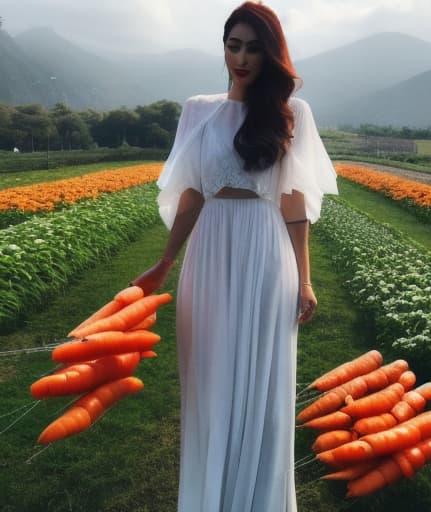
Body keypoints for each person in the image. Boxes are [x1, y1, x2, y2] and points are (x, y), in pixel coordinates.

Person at [131, 2, 338, 510]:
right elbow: (192, 194)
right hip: (209, 253)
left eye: (253, 47)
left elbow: (293, 204)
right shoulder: (198, 110)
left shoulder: (292, 114)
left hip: (267, 253)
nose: (241, 58)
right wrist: (165, 260)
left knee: (262, 382)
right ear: (223, 48)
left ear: (271, 54)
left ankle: (260, 497)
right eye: (233, 45)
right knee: (209, 377)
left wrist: (305, 280)